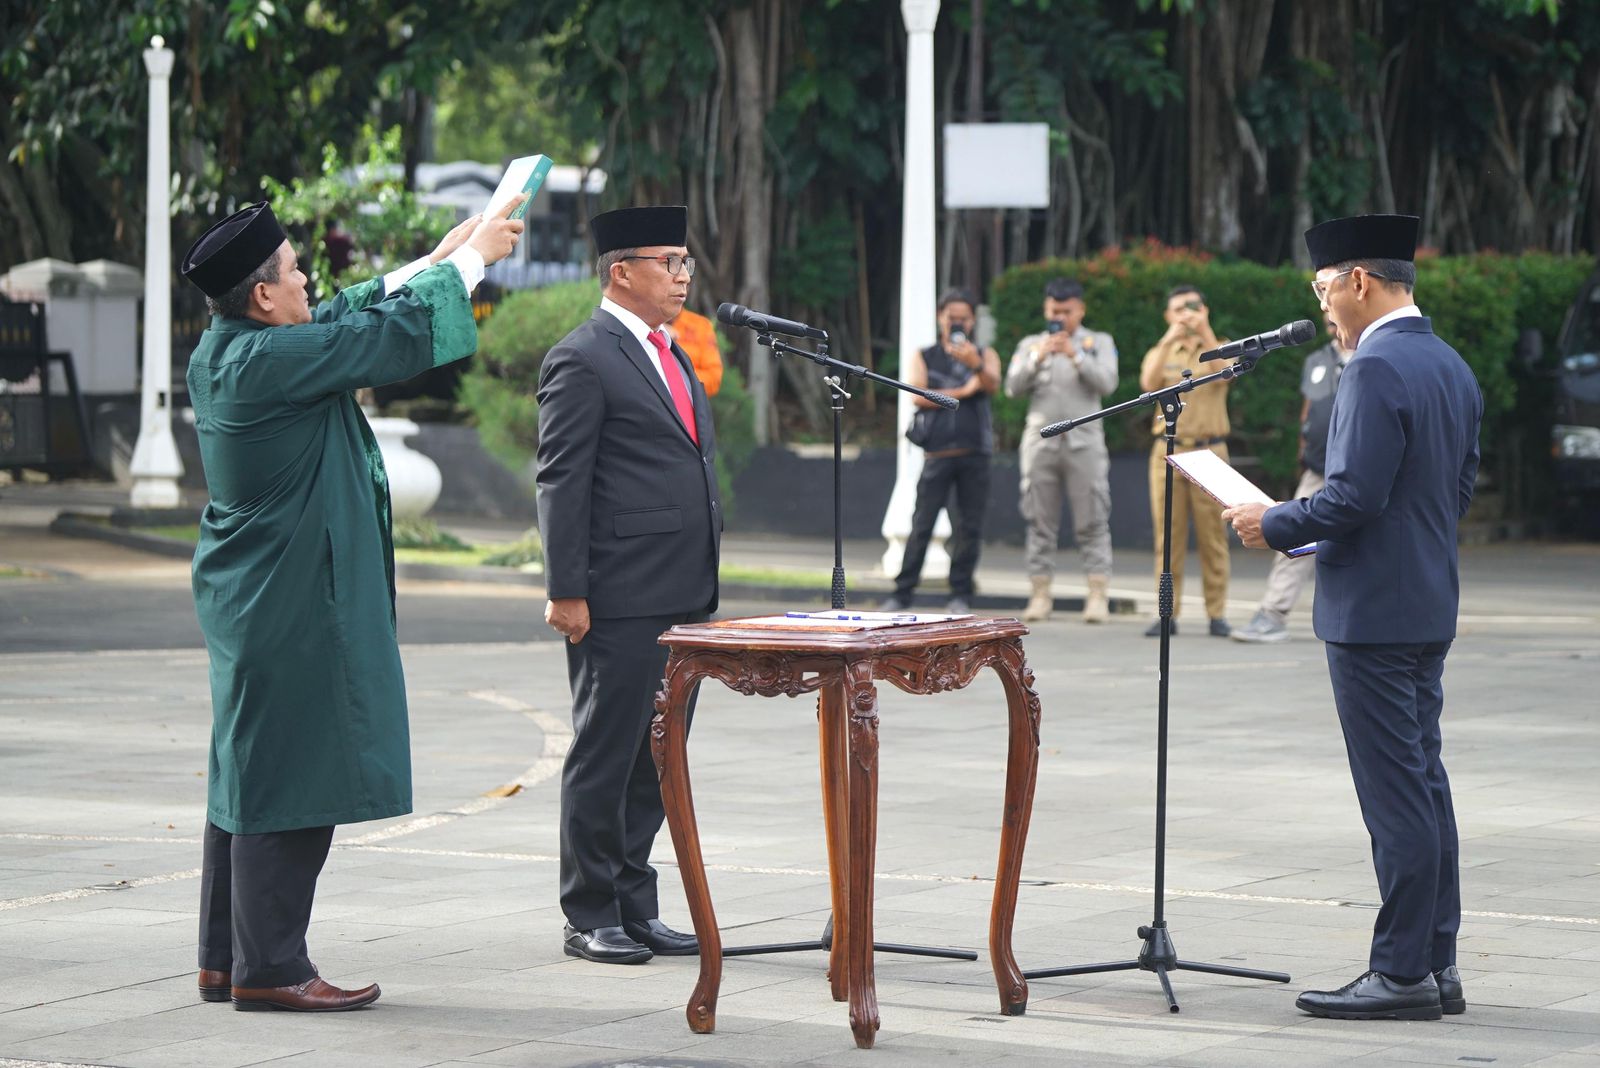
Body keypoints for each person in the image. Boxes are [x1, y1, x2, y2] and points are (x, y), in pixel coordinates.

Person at [181, 197, 525, 1011]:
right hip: (290, 599)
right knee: (292, 775)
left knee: (247, 768)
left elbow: (340, 316)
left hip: (260, 595)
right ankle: (270, 969)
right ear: (264, 295)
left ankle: (224, 957)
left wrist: (437, 260)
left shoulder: (228, 349)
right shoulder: (267, 361)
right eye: (295, 270)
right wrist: (472, 265)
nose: (307, 280)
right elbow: (373, 338)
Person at [1224, 214, 1482, 1022]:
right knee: (1425, 785)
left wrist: (1276, 523)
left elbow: (1354, 496)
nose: (1324, 303)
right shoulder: (1449, 365)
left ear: (1359, 280)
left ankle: (1402, 974)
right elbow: (1458, 490)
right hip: (1426, 600)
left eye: (1323, 285)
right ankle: (1436, 964)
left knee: (1396, 796)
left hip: (1371, 611)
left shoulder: (1372, 369)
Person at [537, 205, 720, 965]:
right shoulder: (583, 356)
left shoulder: (670, 351)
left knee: (658, 757)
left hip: (681, 592)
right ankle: (590, 912)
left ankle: (637, 906)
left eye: (685, 263)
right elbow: (561, 478)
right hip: (617, 594)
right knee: (606, 753)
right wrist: (567, 588)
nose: (682, 276)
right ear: (622, 271)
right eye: (669, 262)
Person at [1232, 314, 1353, 643]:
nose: (1333, 325)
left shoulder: (1371, 356)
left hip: (1355, 468)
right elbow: (1308, 408)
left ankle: (1370, 616)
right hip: (1317, 466)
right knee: (1293, 537)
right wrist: (1303, 447)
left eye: (1336, 320)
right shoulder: (1318, 360)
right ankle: (1272, 613)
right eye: (1328, 322)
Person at [1005, 277, 1118, 623]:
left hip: (1085, 443)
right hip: (1040, 444)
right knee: (1039, 520)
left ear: (1080, 310)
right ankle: (1040, 594)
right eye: (1054, 310)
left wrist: (1076, 356)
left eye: (1067, 311)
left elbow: (1108, 383)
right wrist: (1040, 356)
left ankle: (1097, 594)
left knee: (1094, 518)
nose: (1060, 317)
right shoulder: (1030, 344)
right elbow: (1012, 387)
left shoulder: (1097, 341)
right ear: (1046, 309)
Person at [881, 288, 1001, 614]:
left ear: (973, 320)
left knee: (969, 526)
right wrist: (962, 390)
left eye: (963, 318)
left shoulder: (984, 353)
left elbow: (992, 383)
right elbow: (917, 394)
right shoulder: (925, 354)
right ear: (940, 319)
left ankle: (961, 592)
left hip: (975, 452)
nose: (957, 323)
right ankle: (902, 591)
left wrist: (975, 364)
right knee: (922, 523)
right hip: (937, 454)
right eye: (952, 318)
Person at [1138, 285, 1234, 637]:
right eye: (1179, 308)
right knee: (1168, 535)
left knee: (1213, 536)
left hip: (1210, 451)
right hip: (1167, 451)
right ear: (1167, 315)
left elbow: (1227, 372)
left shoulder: (1217, 344)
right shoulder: (1163, 350)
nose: (1186, 314)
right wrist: (1169, 337)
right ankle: (1167, 613)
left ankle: (1217, 612)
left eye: (1193, 307)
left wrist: (1205, 329)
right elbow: (1147, 383)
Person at [667, 306, 723, 396]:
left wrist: (676, 377)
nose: (681, 291)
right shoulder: (641, 324)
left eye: (685, 290)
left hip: (688, 403)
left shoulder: (701, 325)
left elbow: (714, 379)